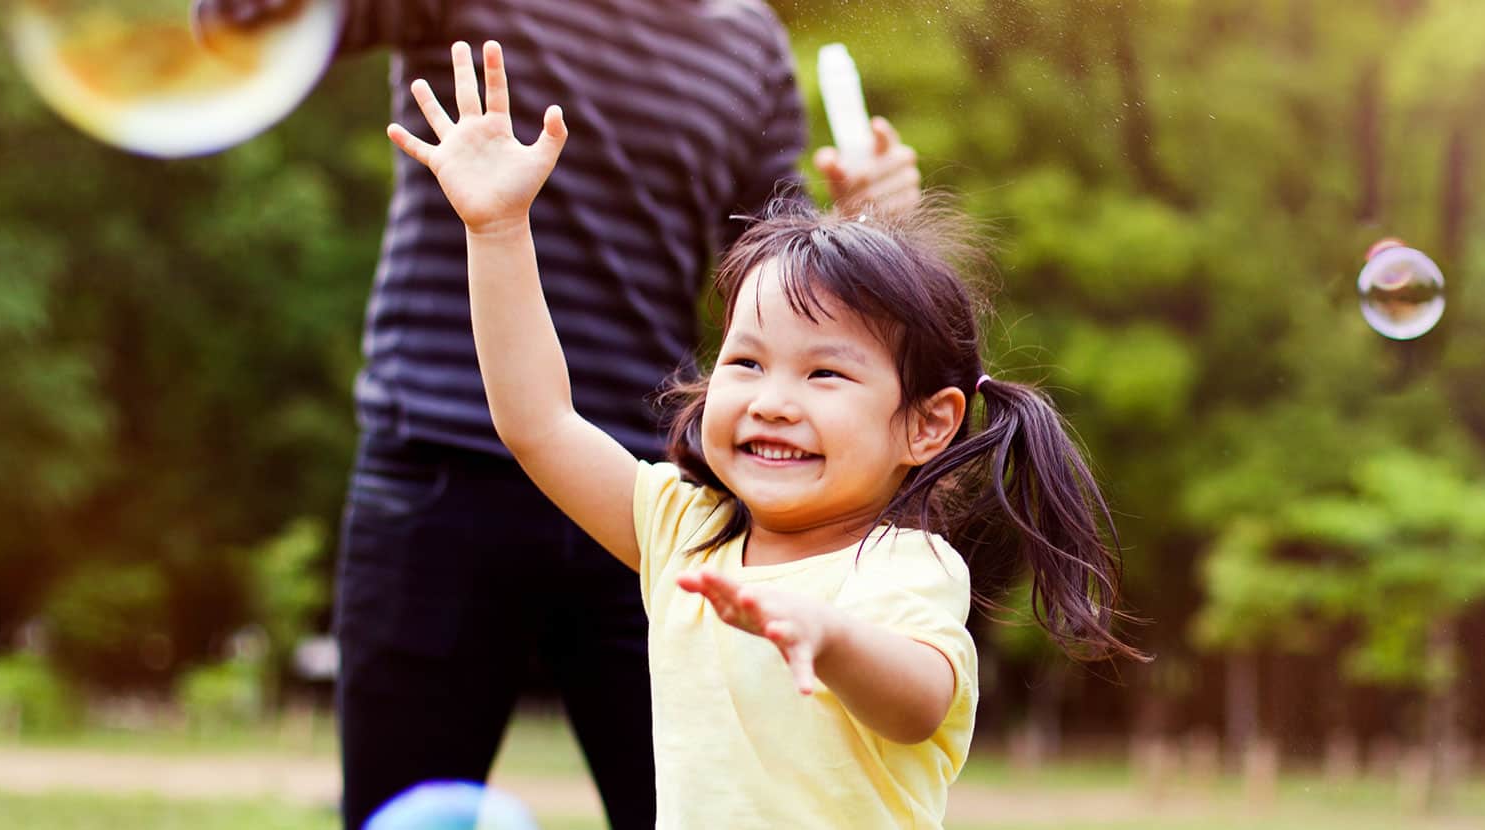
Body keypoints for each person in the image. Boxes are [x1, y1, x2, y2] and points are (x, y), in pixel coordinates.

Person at [188, 1, 923, 826]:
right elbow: (238, 21)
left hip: (656, 500)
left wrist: (858, 225)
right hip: (438, 467)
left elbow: (767, 274)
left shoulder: (745, 38)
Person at [385, 42, 1145, 826]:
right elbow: (538, 423)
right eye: (746, 361)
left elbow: (922, 702)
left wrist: (833, 637)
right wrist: (500, 229)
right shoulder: (686, 531)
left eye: (824, 375)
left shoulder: (900, 567)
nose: (773, 401)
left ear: (928, 425)